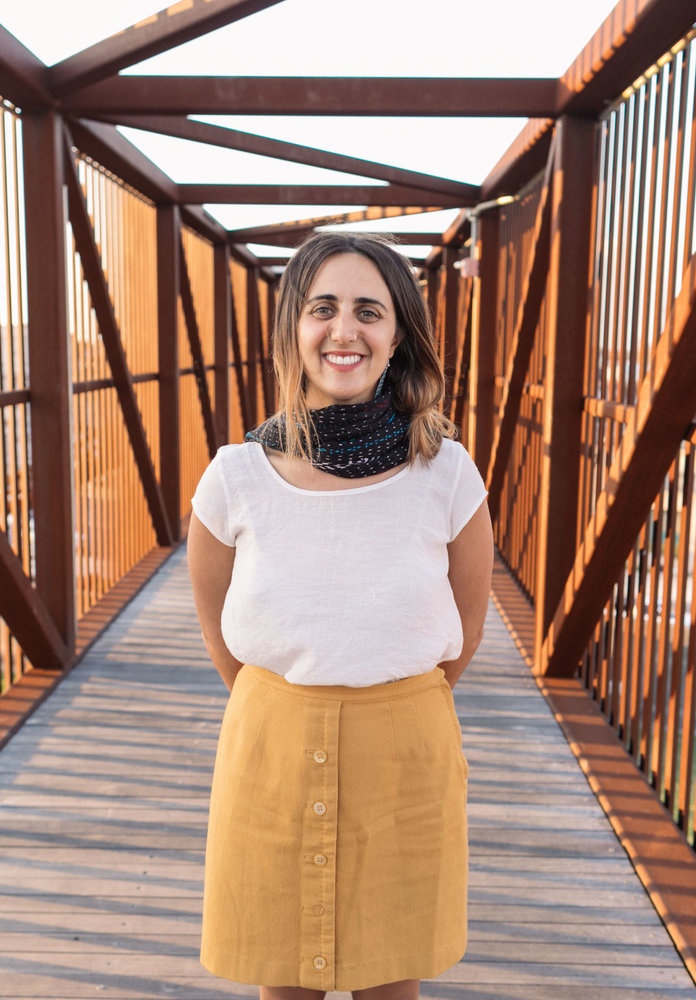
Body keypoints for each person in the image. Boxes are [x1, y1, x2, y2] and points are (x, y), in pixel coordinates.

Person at [187, 231, 494, 1000]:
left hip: (405, 756)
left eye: (369, 311)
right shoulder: (235, 477)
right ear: (294, 327)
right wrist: (289, 697)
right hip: (271, 751)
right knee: (281, 984)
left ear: (398, 336)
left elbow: (464, 627)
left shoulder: (447, 473)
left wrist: (382, 691)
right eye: (323, 309)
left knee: (392, 986)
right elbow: (220, 623)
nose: (345, 330)